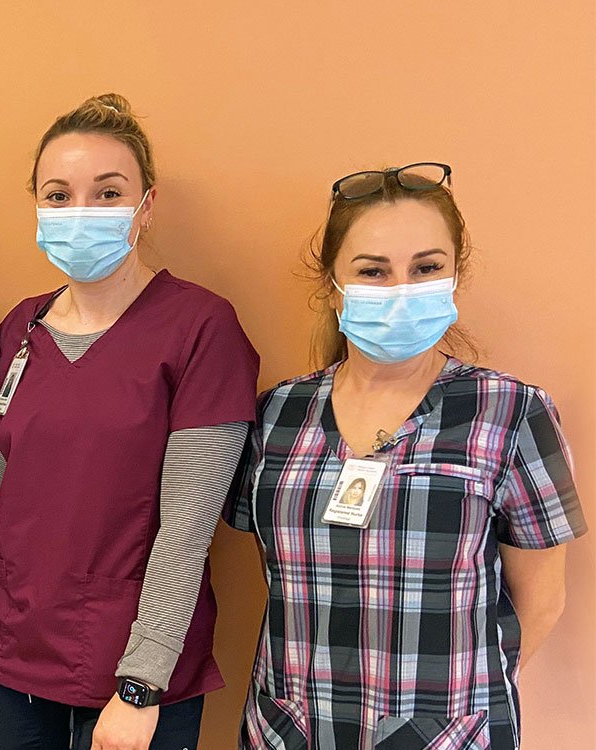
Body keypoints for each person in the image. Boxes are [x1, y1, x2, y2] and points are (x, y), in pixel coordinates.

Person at [227, 163, 585, 749]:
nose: (401, 290)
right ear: (333, 283)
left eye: (426, 268)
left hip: (448, 733)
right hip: (291, 728)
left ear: (454, 274)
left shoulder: (513, 412)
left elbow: (541, 604)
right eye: (373, 271)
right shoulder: (276, 415)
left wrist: (453, 698)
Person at [0, 94, 260, 750]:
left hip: (130, 675)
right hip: (9, 656)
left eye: (108, 192)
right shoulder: (22, 327)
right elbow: (6, 494)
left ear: (146, 205)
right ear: (36, 206)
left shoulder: (201, 330)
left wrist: (142, 686)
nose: (81, 212)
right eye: (59, 195)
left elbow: (186, 531)